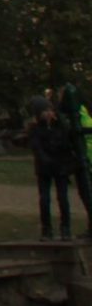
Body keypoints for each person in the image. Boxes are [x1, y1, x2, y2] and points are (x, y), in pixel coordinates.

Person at [29, 104, 76, 241]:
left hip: (60, 166)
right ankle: (46, 229)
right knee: (45, 198)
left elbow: (66, 144)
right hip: (45, 168)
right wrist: (46, 160)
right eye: (45, 111)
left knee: (63, 198)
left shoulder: (59, 126)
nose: (49, 113)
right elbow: (37, 148)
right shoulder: (36, 129)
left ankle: (65, 228)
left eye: (50, 110)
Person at [60, 83, 92, 232]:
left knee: (87, 193)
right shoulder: (81, 117)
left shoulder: (77, 119)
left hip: (86, 162)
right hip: (83, 162)